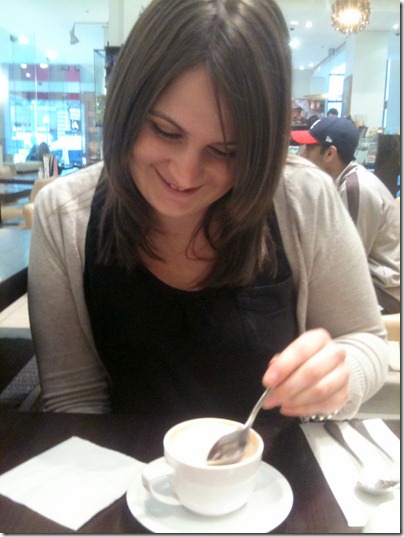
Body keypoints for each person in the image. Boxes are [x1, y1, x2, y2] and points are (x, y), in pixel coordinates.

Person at [28, 0, 388, 420]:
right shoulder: (65, 216)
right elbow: (75, 400)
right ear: (126, 105)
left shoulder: (303, 198)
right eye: (165, 131)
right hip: (121, 459)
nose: (185, 174)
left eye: (226, 151)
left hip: (276, 457)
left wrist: (339, 377)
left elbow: (365, 339)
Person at [291, 117, 400, 314]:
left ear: (330, 153)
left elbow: (345, 262)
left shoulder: (354, 188)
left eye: (310, 148)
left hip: (386, 293)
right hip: (374, 283)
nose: (303, 153)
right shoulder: (343, 181)